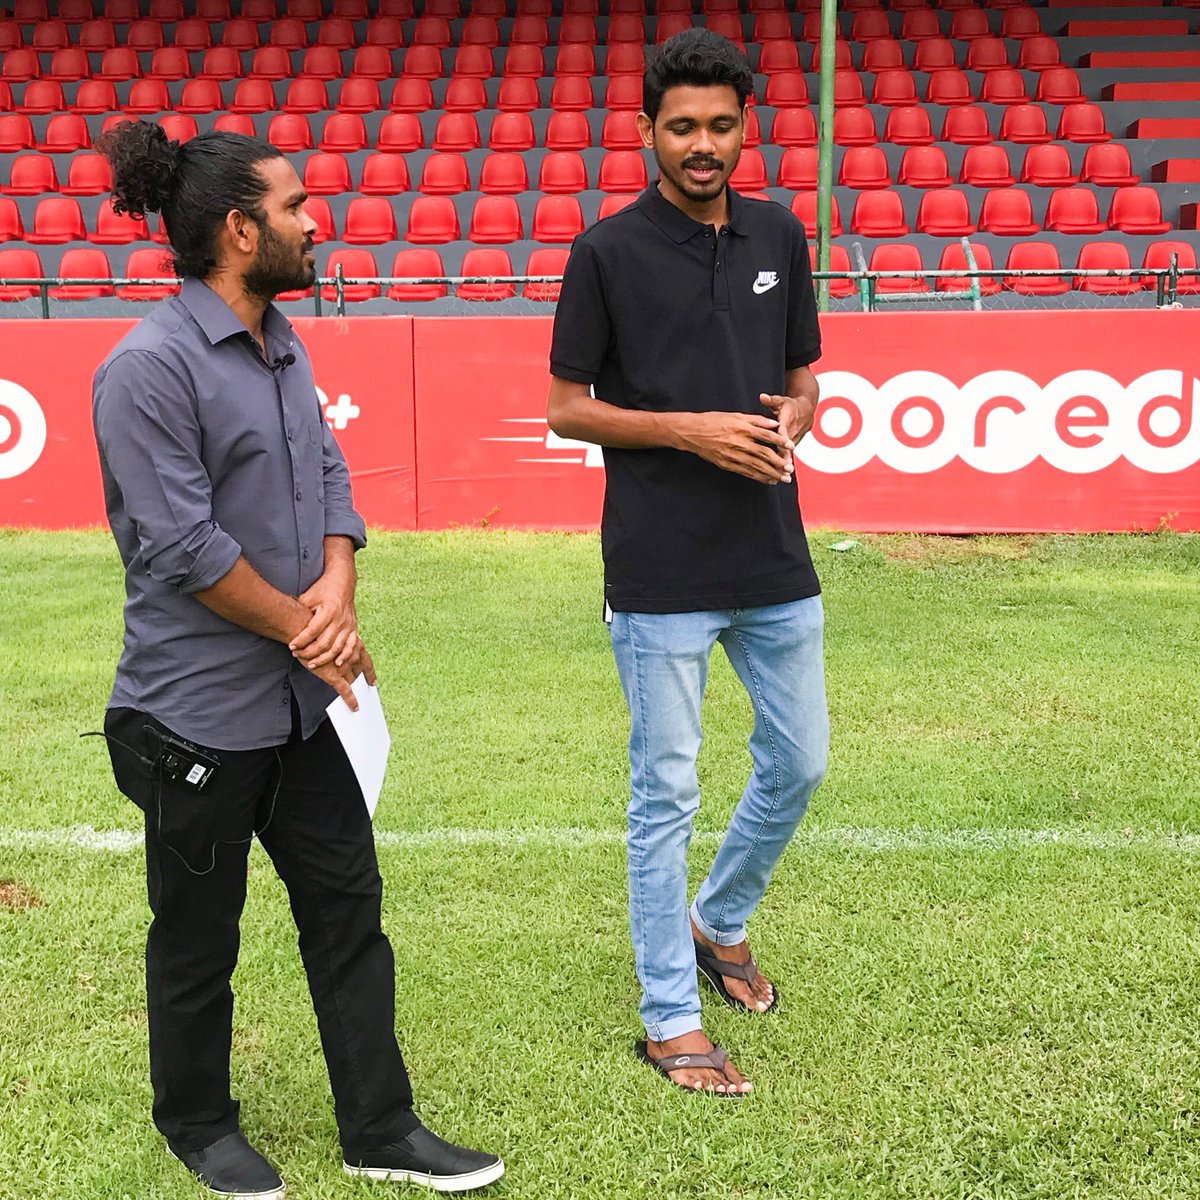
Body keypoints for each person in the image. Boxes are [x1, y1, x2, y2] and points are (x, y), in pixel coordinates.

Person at [91, 121, 504, 1197]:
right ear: (240, 228)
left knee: (349, 914)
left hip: (296, 710)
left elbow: (326, 474)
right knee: (196, 941)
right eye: (294, 205)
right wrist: (307, 628)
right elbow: (181, 546)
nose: (315, 221)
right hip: (194, 721)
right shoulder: (145, 368)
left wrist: (337, 583)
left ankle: (380, 1127)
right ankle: (197, 1124)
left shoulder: (284, 344)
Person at [546, 29, 829, 1097]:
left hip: (771, 551)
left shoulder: (779, 233)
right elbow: (567, 407)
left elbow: (806, 381)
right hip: (659, 567)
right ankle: (669, 1016)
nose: (702, 145)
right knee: (663, 791)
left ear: (744, 128)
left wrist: (793, 412)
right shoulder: (606, 251)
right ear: (646, 132)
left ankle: (720, 919)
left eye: (720, 125)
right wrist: (690, 430)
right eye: (682, 128)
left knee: (800, 761)